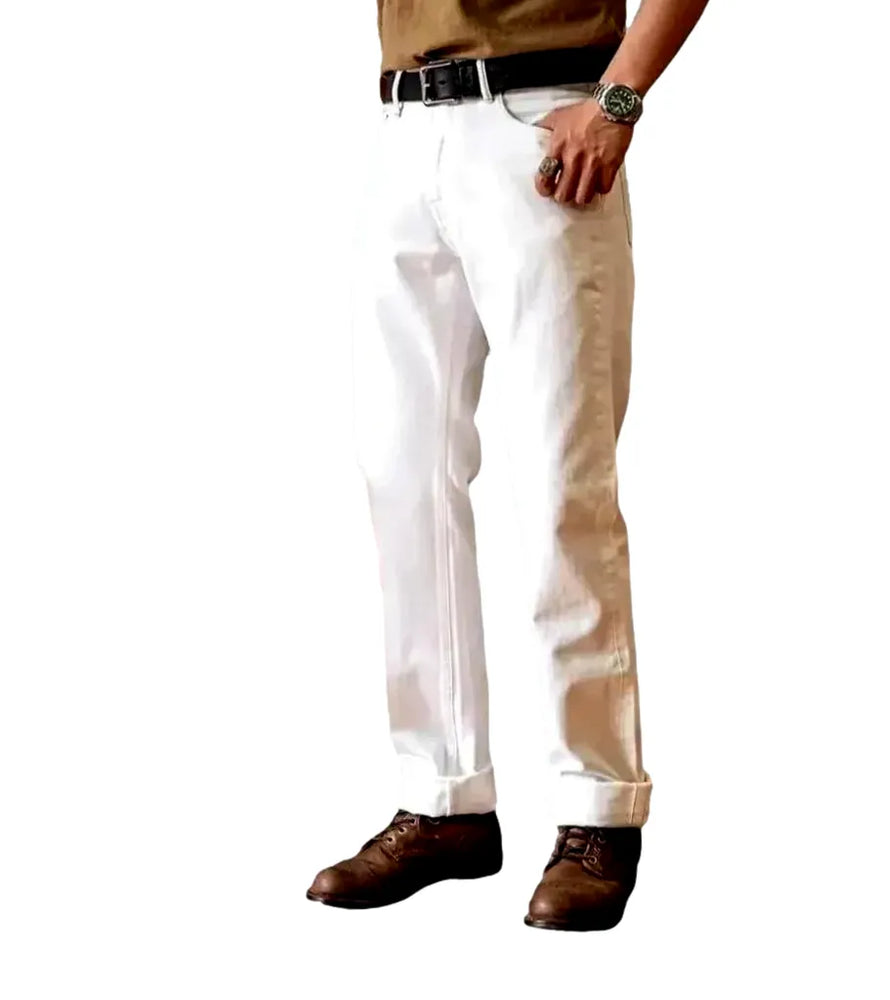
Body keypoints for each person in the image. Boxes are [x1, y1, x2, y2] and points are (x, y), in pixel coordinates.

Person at [307, 0, 710, 931]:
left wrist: (618, 100)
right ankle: (442, 798)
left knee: (561, 478)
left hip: (543, 122)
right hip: (404, 124)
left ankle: (597, 810)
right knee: (402, 479)